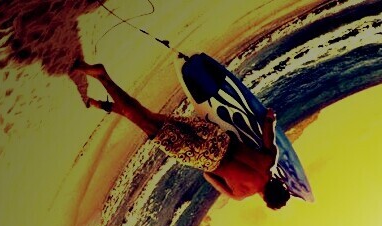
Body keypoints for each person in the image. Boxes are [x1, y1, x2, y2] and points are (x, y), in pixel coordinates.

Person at [73, 62, 291, 208]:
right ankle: (103, 77)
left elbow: (268, 129)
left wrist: (270, 118)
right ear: (265, 199)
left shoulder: (269, 159)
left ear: (279, 184)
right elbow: (208, 175)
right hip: (201, 157)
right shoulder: (240, 194)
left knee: (152, 118)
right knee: (147, 125)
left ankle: (102, 104)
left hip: (215, 136)